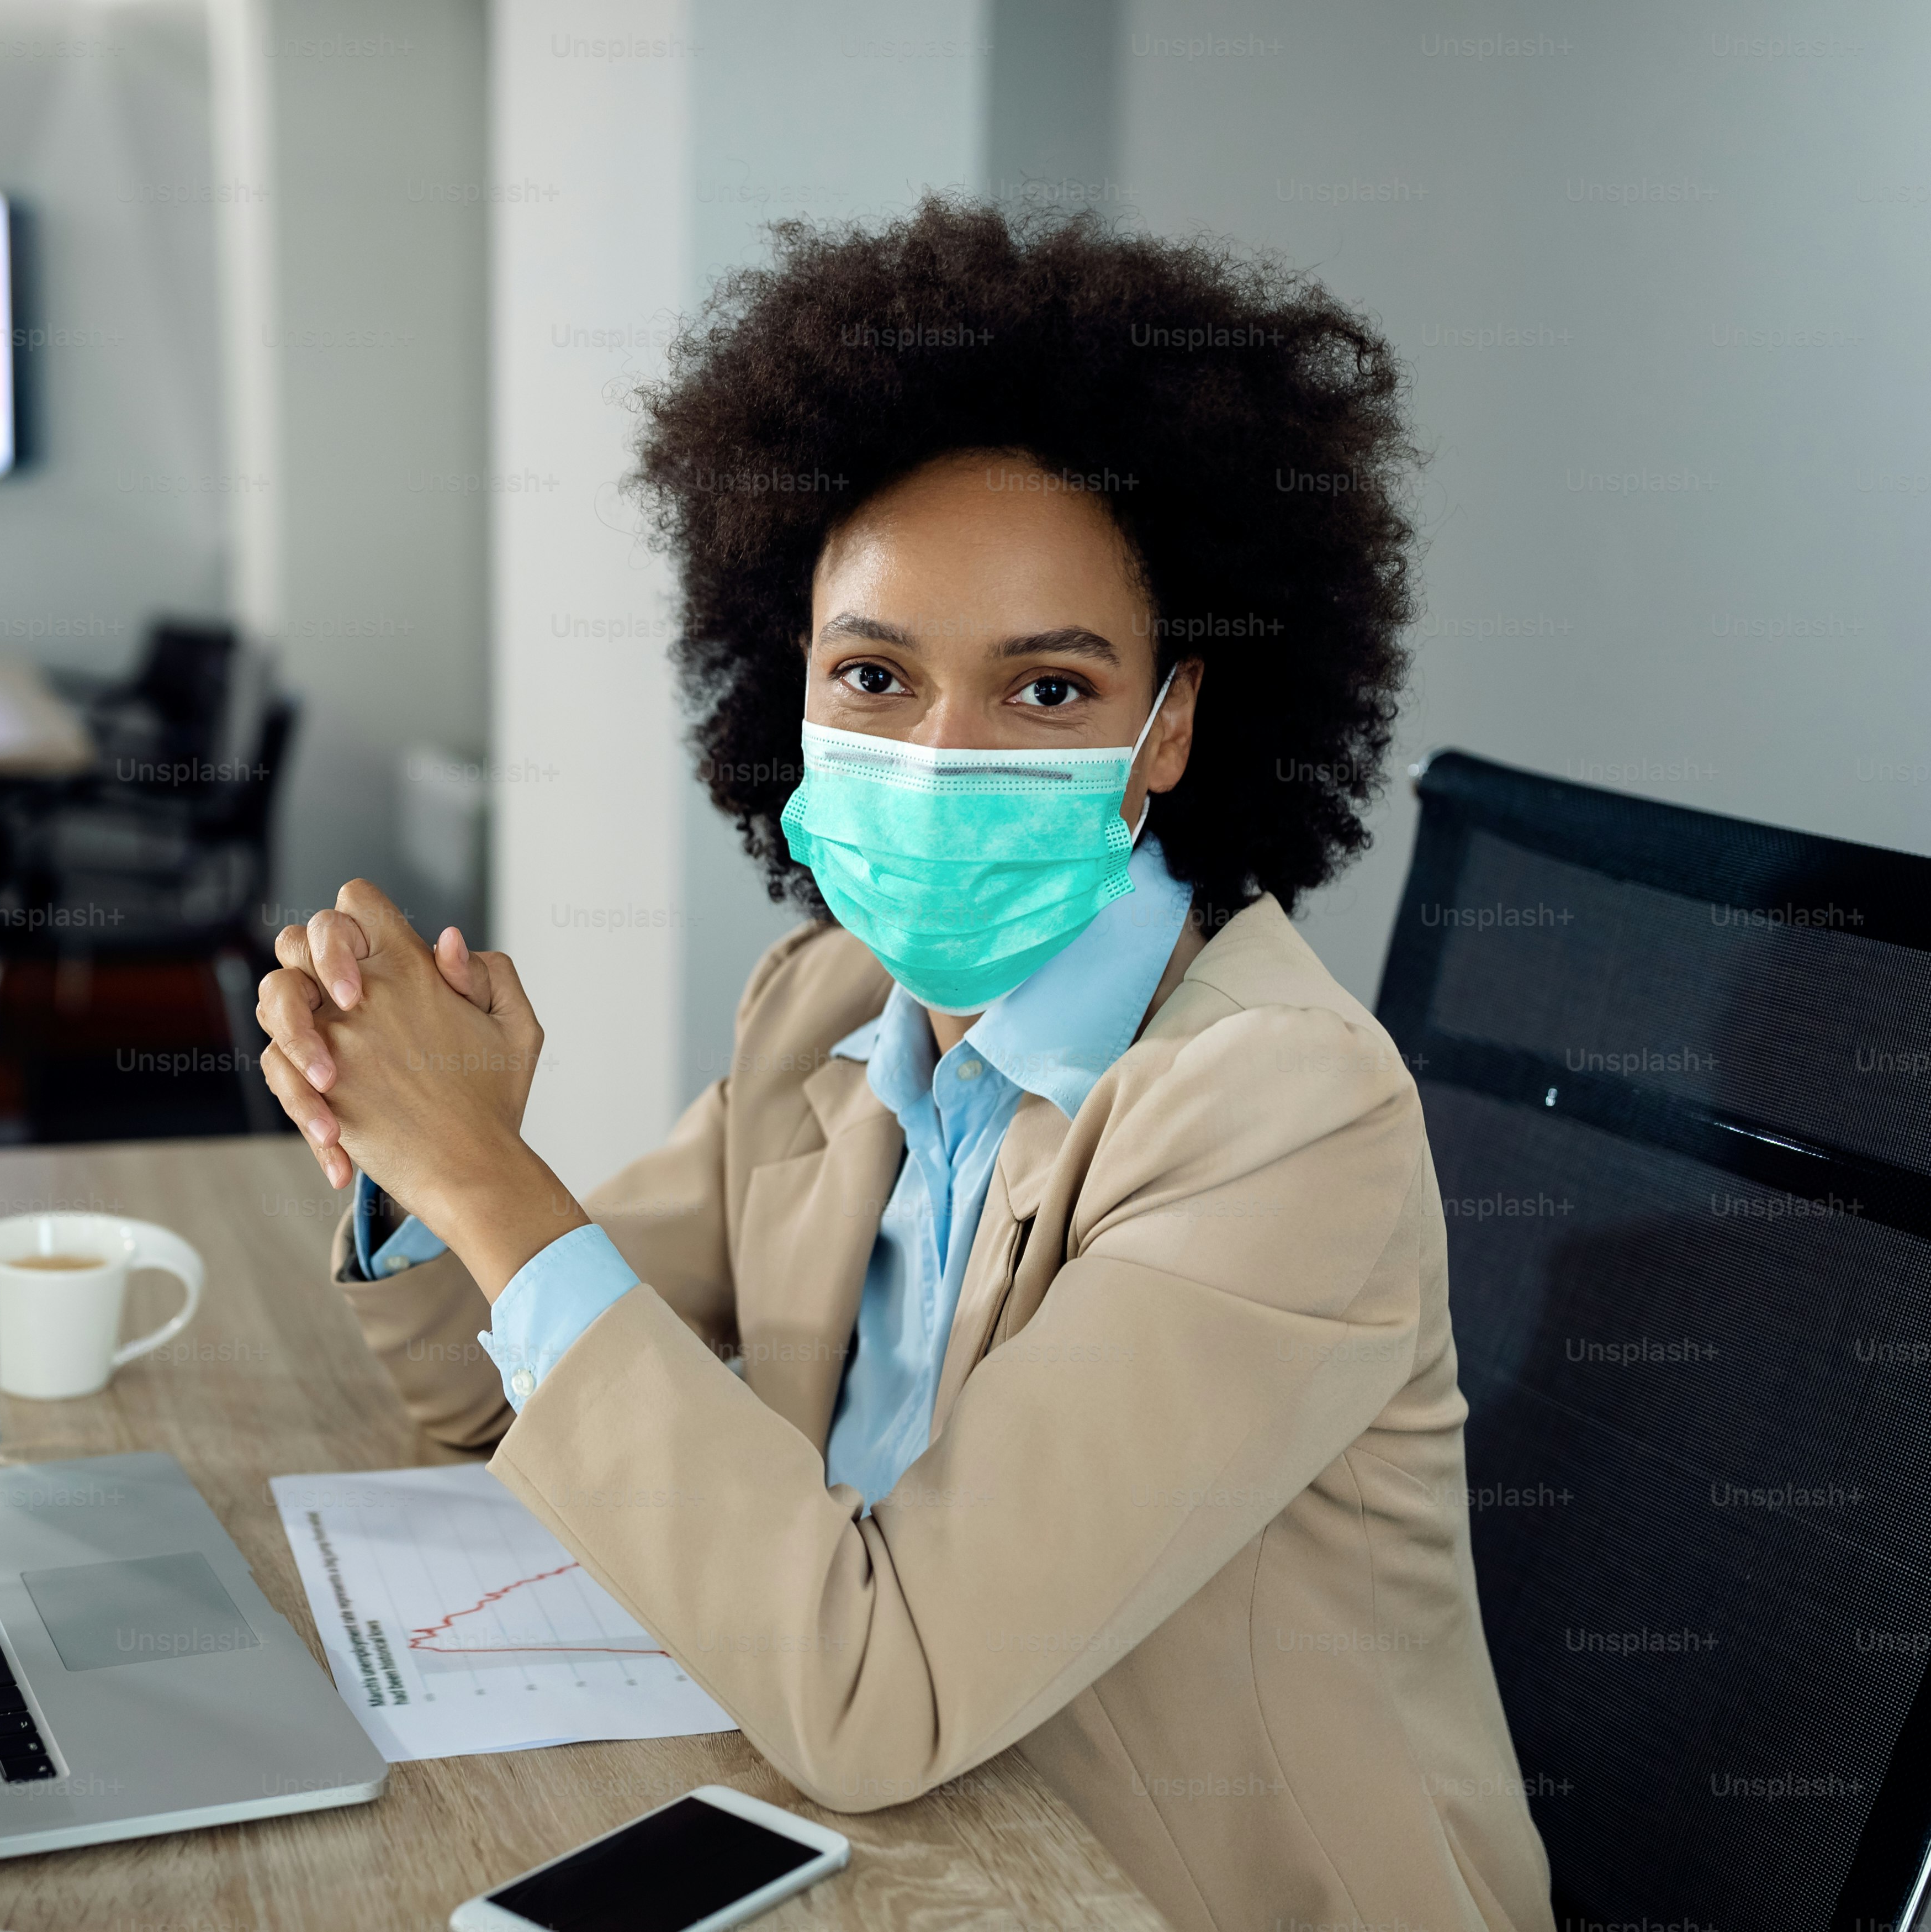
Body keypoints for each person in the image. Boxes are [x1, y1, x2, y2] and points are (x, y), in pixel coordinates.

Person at [255, 201, 1551, 1932]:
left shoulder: (1285, 1114)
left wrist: (495, 1176)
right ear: (787, 686)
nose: (936, 757)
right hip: (926, 1853)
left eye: (1043, 691)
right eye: (874, 673)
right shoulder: (827, 1006)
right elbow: (492, 1395)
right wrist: (411, 1153)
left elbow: (882, 1693)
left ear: (1168, 724)